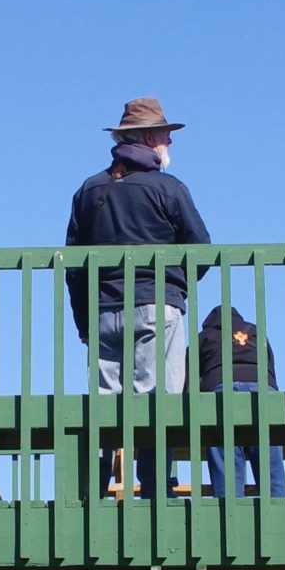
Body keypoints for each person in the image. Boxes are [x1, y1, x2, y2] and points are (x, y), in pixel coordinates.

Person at [65, 97, 212, 497]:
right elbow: (203, 249)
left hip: (102, 312)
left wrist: (84, 323)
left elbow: (74, 267)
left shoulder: (89, 189)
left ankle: (93, 487)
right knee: (157, 401)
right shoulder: (168, 188)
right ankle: (153, 487)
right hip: (154, 306)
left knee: (105, 404)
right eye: (166, 135)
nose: (170, 142)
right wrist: (176, 288)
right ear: (150, 137)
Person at [197, 306, 285, 499]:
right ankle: (283, 521)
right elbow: (270, 368)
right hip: (263, 390)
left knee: (227, 470)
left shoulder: (205, 336)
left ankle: (230, 521)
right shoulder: (257, 332)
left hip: (221, 388)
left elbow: (188, 380)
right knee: (271, 466)